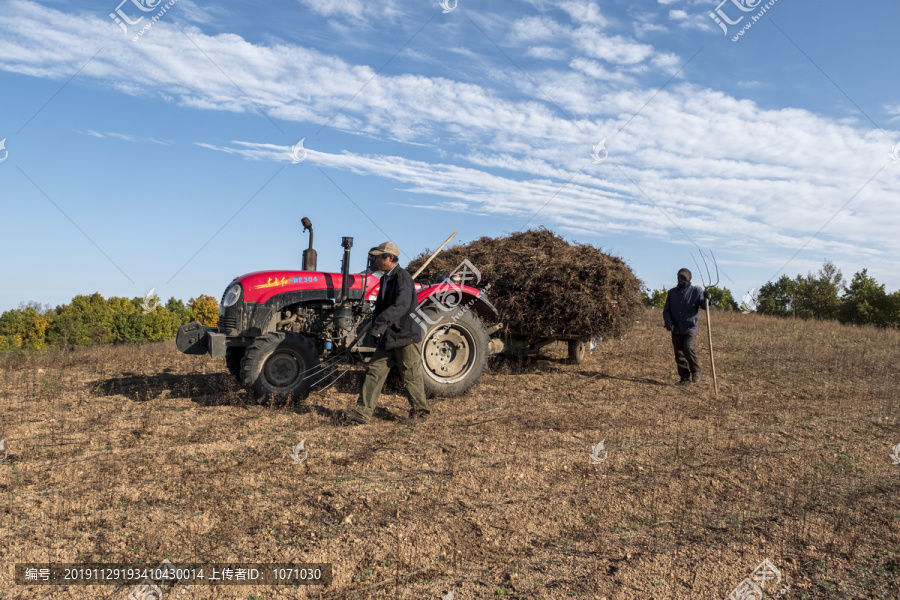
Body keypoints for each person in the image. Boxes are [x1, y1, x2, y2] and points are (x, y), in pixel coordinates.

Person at [341, 241, 430, 425]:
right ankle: (363, 412)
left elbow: (401, 306)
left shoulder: (403, 277)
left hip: (405, 334)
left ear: (390, 258)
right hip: (389, 335)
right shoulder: (385, 279)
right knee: (374, 370)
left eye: (378, 257)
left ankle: (421, 413)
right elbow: (382, 307)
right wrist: (374, 324)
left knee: (410, 374)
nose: (375, 260)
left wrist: (379, 324)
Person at [662, 268, 710, 386]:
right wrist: (668, 322)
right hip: (675, 328)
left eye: (683, 277)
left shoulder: (696, 291)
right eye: (679, 276)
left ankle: (696, 371)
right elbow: (666, 310)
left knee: (688, 348)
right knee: (679, 355)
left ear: (689, 278)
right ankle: (684, 379)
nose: (680, 279)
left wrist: (708, 299)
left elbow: (704, 306)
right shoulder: (672, 293)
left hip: (690, 328)